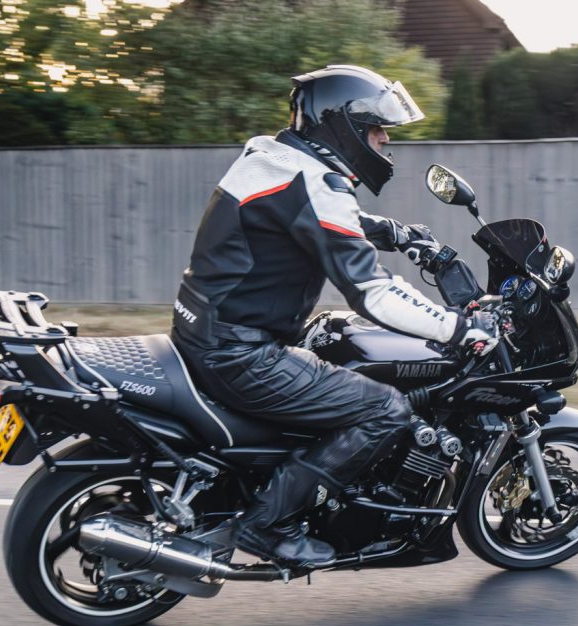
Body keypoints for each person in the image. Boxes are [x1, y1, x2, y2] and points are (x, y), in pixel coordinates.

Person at [170, 65, 497, 567]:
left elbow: (311, 217)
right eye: (377, 129)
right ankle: (267, 526)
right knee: (384, 409)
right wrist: (458, 327)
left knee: (333, 347)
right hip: (241, 353)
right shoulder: (313, 181)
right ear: (342, 125)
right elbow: (373, 293)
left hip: (207, 332)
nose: (385, 141)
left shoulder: (274, 159)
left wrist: (396, 232)